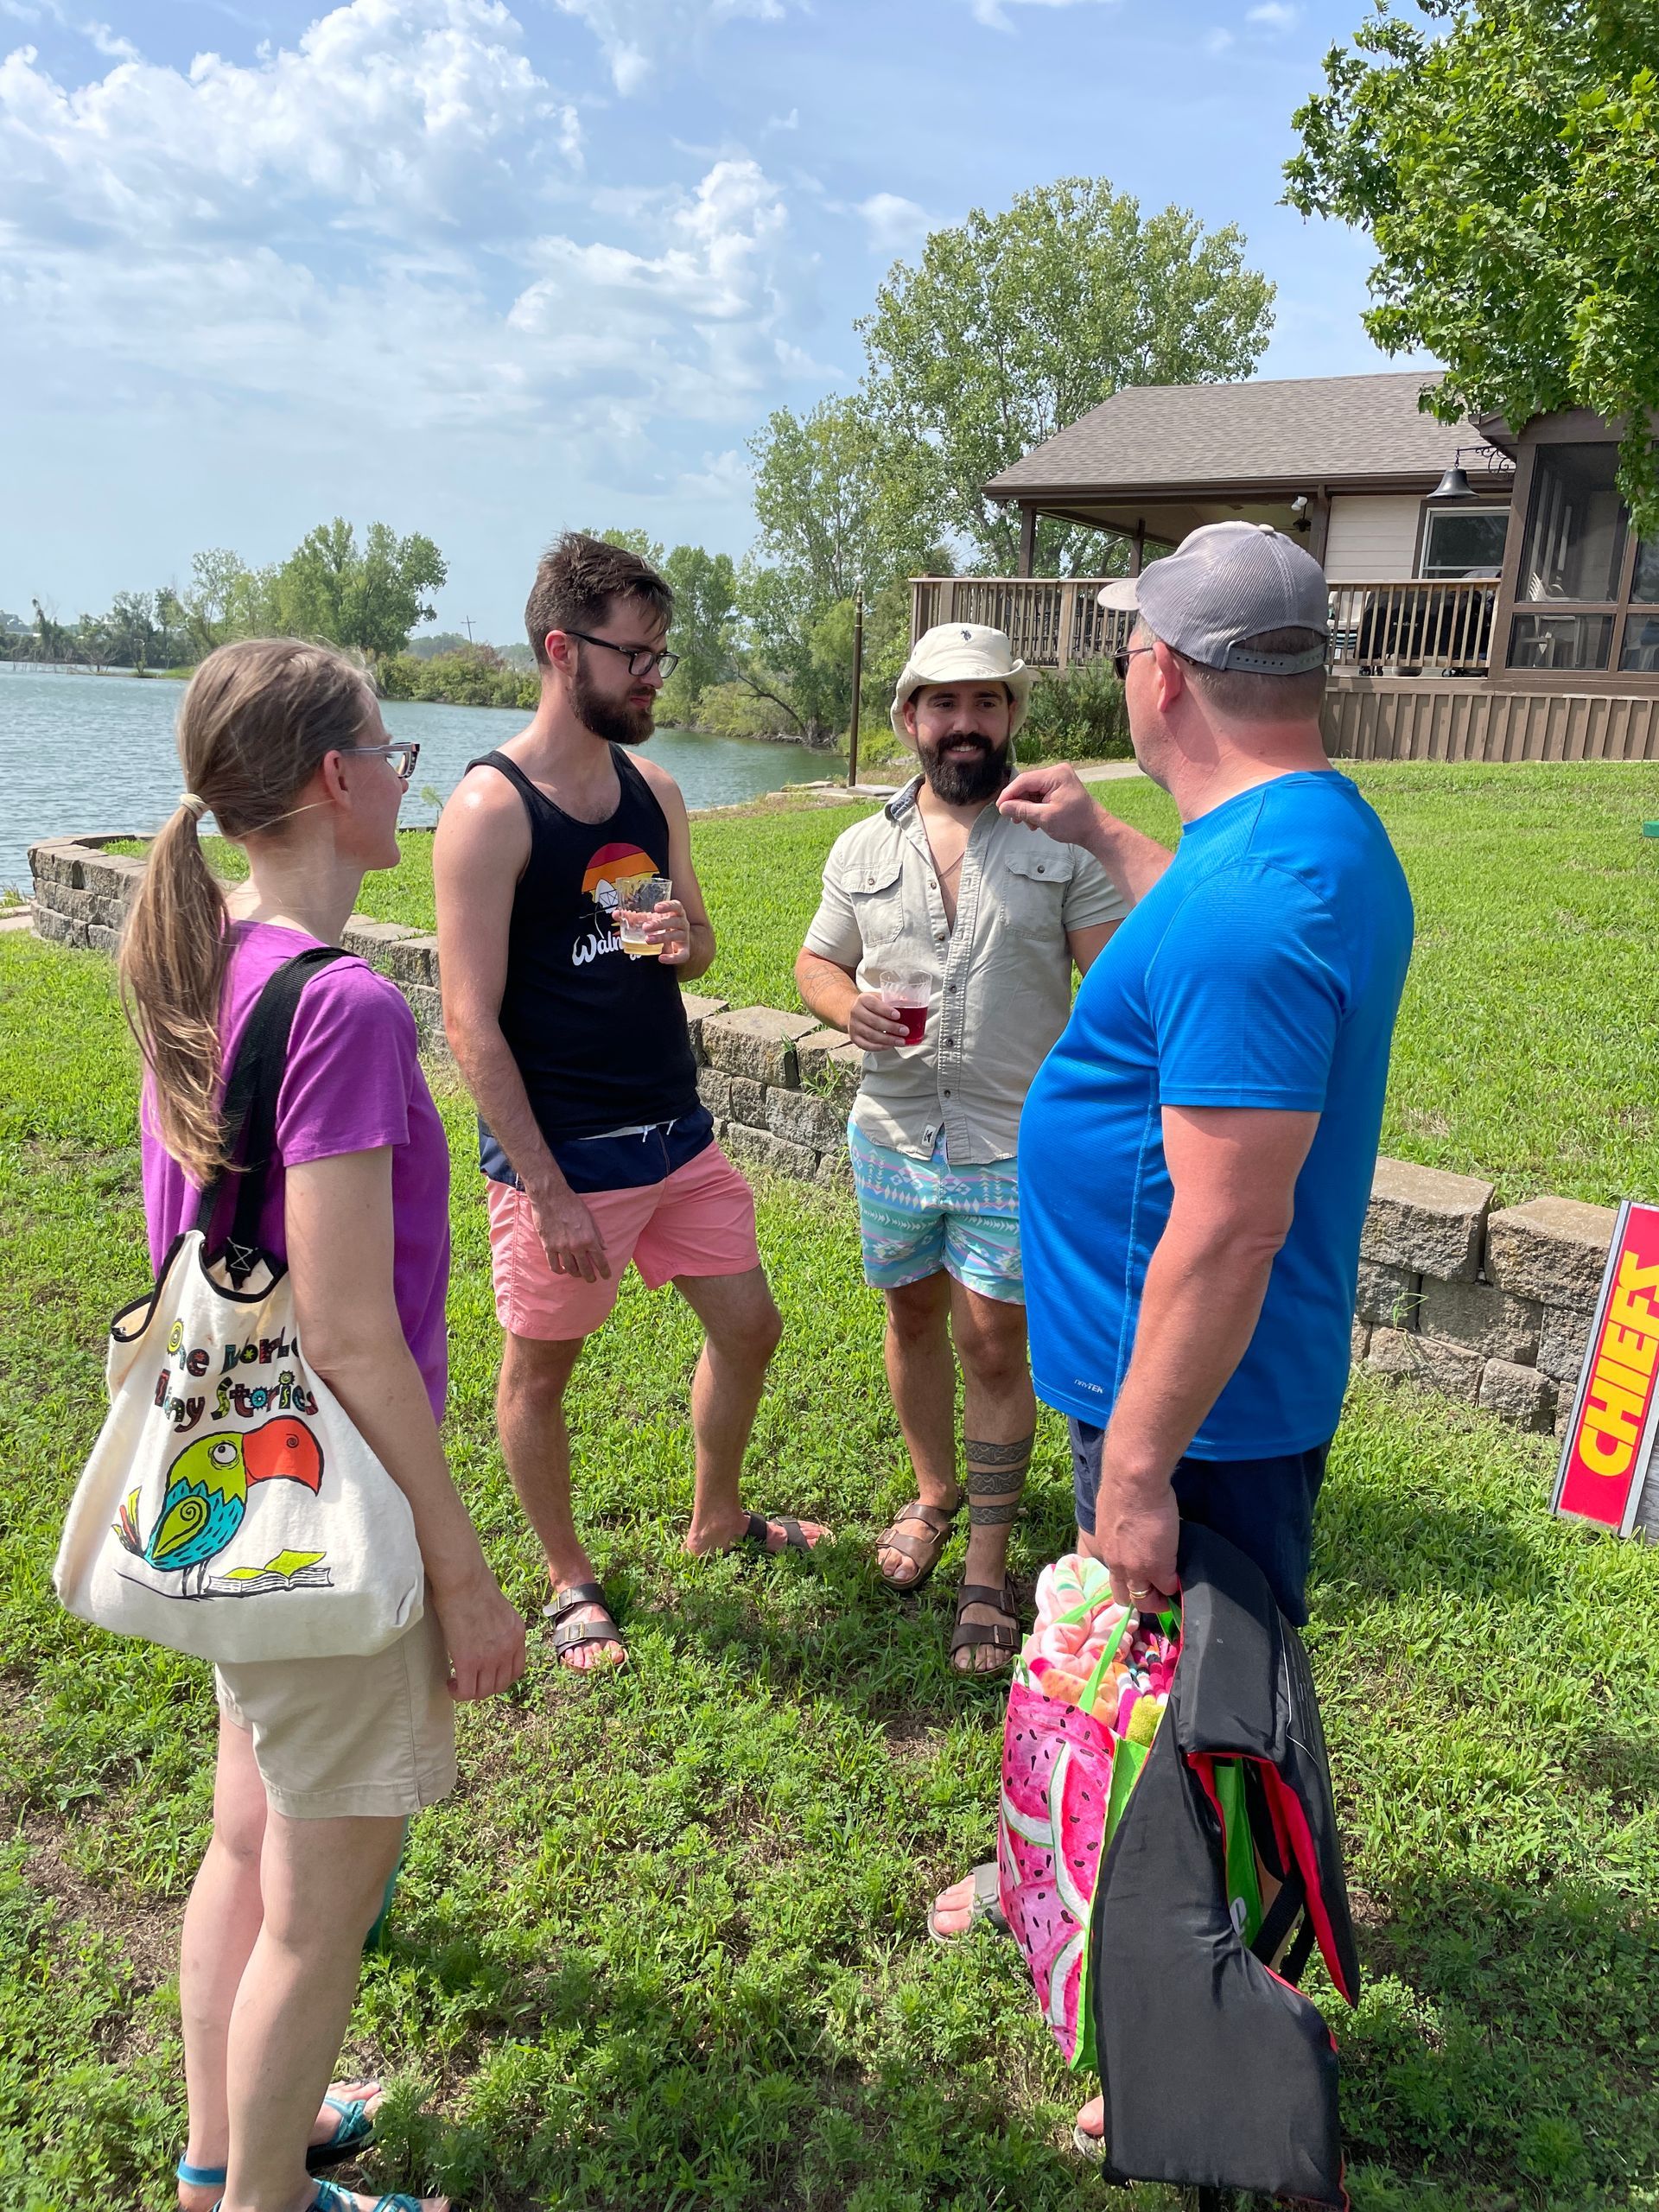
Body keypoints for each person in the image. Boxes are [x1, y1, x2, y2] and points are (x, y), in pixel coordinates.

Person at [925, 523, 1414, 2149]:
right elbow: (1207, 928)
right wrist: (1124, 838)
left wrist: (1135, 1464)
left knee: (1202, 1716)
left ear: (1161, 673)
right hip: (1172, 1392)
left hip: (1193, 1411)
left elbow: (1229, 1224)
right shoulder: (1299, 842)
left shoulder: (1248, 911)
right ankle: (1067, 1885)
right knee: (1144, 1686)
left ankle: (1192, 2034)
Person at [122, 639, 527, 2212]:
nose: (403, 775)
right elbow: (352, 1330)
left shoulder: (205, 947)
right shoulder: (344, 1005)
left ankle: (224, 2152)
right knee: (319, 1905)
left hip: (230, 1478)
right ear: (335, 782)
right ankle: (264, 2203)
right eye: (390, 746)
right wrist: (466, 1570)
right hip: (327, 1494)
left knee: (245, 1837)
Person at [434, 533, 825, 1674]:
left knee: (751, 1328)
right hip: (567, 1160)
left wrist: (672, 937)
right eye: (636, 656)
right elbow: (470, 1024)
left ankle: (716, 1516)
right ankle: (569, 1582)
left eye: (662, 653)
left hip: (676, 1137)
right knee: (538, 1377)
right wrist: (545, 1191)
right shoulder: (489, 810)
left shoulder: (649, 790)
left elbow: (691, 948)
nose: (657, 675)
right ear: (563, 650)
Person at [795, 624, 1123, 1671]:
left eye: (986, 704)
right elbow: (816, 960)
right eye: (944, 704)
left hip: (1009, 1142)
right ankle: (935, 1492)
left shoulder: (1058, 839)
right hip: (890, 1132)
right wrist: (846, 1009)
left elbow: (1112, 985)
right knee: (910, 1315)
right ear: (910, 720)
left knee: (992, 1341)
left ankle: (986, 1564)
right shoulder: (862, 845)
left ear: (1012, 719)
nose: (965, 724)